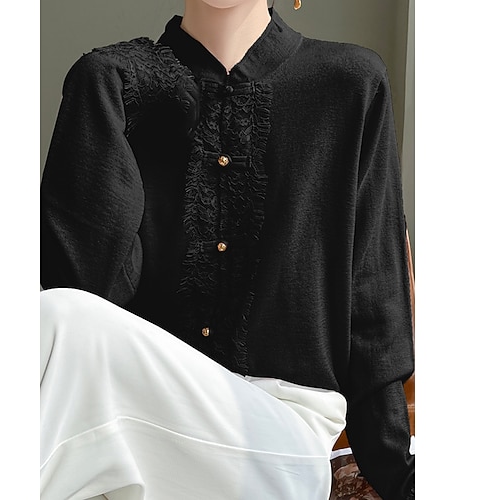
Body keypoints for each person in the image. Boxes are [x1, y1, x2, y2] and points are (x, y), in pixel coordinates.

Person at [40, 0, 415, 498]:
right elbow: (89, 295)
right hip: (139, 425)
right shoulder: (117, 82)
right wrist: (104, 92)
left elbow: (373, 301)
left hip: (280, 442)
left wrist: (401, 477)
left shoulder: (350, 82)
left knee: (54, 319)